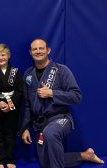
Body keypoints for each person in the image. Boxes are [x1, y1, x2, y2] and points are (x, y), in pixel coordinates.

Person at [20, 38, 104, 168]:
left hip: (60, 118)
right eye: (34, 49)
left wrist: (52, 93)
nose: (38, 51)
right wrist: (24, 128)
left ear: (48, 50)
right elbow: (27, 104)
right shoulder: (28, 75)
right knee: (45, 163)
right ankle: (85, 156)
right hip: (40, 123)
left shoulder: (61, 70)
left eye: (41, 48)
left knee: (51, 133)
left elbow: (76, 96)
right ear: (30, 53)